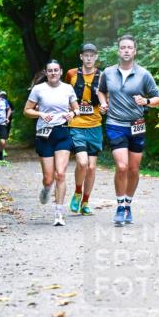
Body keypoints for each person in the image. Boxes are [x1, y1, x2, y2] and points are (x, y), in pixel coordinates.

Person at [96, 34, 159, 226]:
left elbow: (158, 98)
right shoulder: (108, 72)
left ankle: (128, 205)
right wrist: (103, 103)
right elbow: (101, 91)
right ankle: (119, 206)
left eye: (129, 47)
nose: (126, 50)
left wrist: (146, 101)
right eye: (123, 47)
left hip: (136, 125)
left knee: (133, 169)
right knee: (122, 166)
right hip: (115, 124)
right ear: (118, 51)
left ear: (135, 51)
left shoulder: (144, 74)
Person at [24, 60, 80, 226]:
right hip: (44, 135)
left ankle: (59, 214)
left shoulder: (67, 88)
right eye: (50, 71)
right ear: (46, 73)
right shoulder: (38, 89)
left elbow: (76, 109)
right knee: (49, 179)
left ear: (61, 72)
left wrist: (73, 114)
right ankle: (47, 188)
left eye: (56, 70)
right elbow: (27, 111)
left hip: (62, 133)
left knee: (60, 174)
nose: (53, 73)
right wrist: (40, 114)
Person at [64, 43, 103, 216]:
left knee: (92, 168)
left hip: (95, 125)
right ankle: (77, 192)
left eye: (91, 55)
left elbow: (107, 97)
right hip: (77, 124)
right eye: (86, 55)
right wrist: (67, 109)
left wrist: (105, 106)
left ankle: (85, 202)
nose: (89, 58)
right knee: (82, 162)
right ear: (81, 57)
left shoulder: (102, 76)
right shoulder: (71, 73)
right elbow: (65, 93)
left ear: (96, 57)